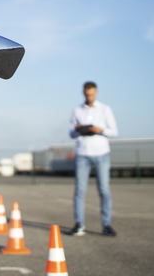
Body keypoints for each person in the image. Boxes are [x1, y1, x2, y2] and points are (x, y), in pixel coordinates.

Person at [67, 81, 118, 237]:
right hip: (82, 153)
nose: (89, 96)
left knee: (104, 190)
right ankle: (79, 224)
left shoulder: (105, 109)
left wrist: (99, 129)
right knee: (80, 191)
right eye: (86, 94)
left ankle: (106, 224)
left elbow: (114, 131)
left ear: (96, 93)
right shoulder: (77, 110)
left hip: (101, 153)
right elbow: (71, 133)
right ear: (83, 93)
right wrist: (79, 129)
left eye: (91, 94)